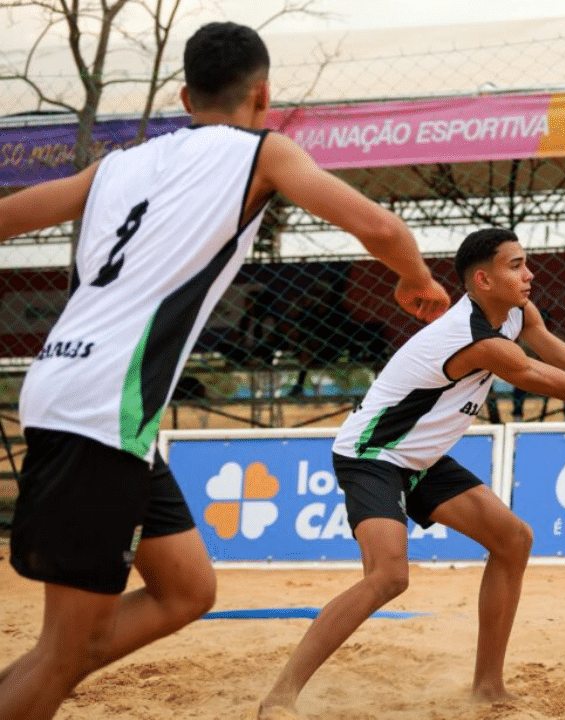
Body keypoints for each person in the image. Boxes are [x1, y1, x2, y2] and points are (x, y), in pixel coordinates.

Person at [0, 22, 450, 720]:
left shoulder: (118, 165)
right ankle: (41, 678)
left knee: (187, 591)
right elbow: (383, 230)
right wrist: (416, 281)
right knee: (62, 652)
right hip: (102, 407)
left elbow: (8, 217)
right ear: (263, 95)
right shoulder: (263, 150)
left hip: (80, 393)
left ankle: (39, 678)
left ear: (185, 96)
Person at [257, 227, 565, 717]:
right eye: (516, 266)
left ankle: (488, 688)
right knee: (388, 577)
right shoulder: (476, 340)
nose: (529, 274)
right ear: (483, 280)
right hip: (373, 454)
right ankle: (280, 697)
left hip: (420, 457)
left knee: (513, 540)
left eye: (525, 262)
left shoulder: (518, 313)